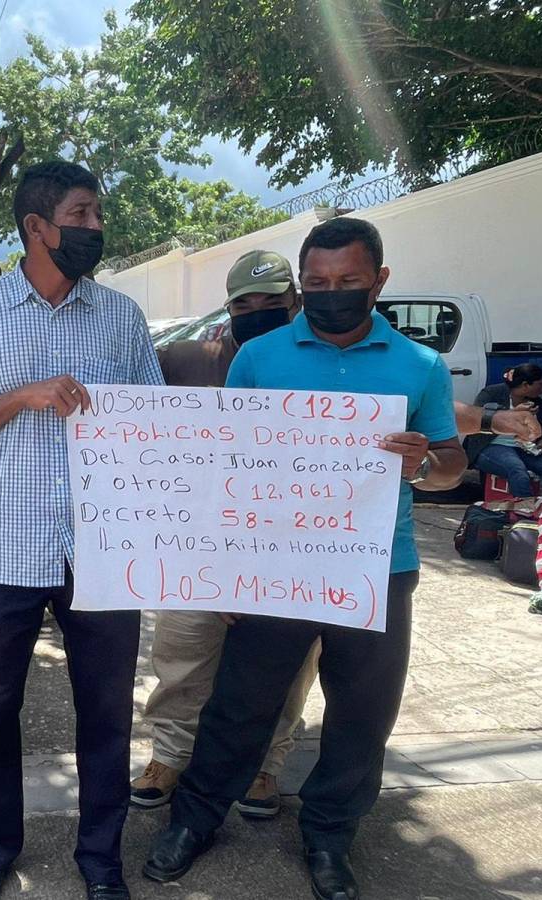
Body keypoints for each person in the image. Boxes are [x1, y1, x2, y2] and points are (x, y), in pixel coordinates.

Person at [143, 217, 467, 900]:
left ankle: (328, 836)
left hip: (378, 566)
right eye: (316, 283)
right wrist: (228, 569)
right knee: (240, 703)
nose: (331, 294)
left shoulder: (420, 366)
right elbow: (232, 468)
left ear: (379, 280)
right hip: (276, 564)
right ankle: (193, 821)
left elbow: (450, 467)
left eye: (348, 282)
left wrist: (425, 463)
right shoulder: (259, 360)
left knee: (361, 713)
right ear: (301, 285)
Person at [0, 161, 163, 900]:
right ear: (37, 227)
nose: (96, 227)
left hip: (101, 553)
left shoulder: (120, 317)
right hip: (1, 550)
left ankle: (101, 858)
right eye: (83, 214)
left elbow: (156, 427)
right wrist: (21, 397)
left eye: (96, 213)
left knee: (105, 716)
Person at [133, 250, 322, 820]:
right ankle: (170, 754)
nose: (259, 311)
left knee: (290, 665)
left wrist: (489, 420)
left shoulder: (321, 366)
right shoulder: (186, 360)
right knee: (182, 655)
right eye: (246, 302)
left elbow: (406, 411)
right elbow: (116, 391)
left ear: (296, 303)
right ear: (228, 308)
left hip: (296, 547)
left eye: (273, 301)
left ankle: (267, 763)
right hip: (199, 545)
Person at [469, 363, 542, 498]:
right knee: (517, 470)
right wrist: (514, 412)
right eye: (540, 384)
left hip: (525, 447)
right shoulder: (491, 393)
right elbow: (478, 420)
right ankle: (524, 509)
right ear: (526, 385)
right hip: (491, 446)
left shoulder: (538, 402)